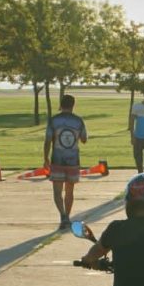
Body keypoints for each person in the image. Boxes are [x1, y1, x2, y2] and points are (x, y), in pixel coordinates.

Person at [44, 93, 88, 230]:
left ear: (61, 105)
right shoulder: (78, 121)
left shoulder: (53, 120)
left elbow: (47, 141)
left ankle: (62, 215)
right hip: (73, 160)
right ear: (73, 105)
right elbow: (84, 139)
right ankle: (68, 216)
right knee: (70, 191)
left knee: (57, 192)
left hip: (57, 159)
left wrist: (45, 157)